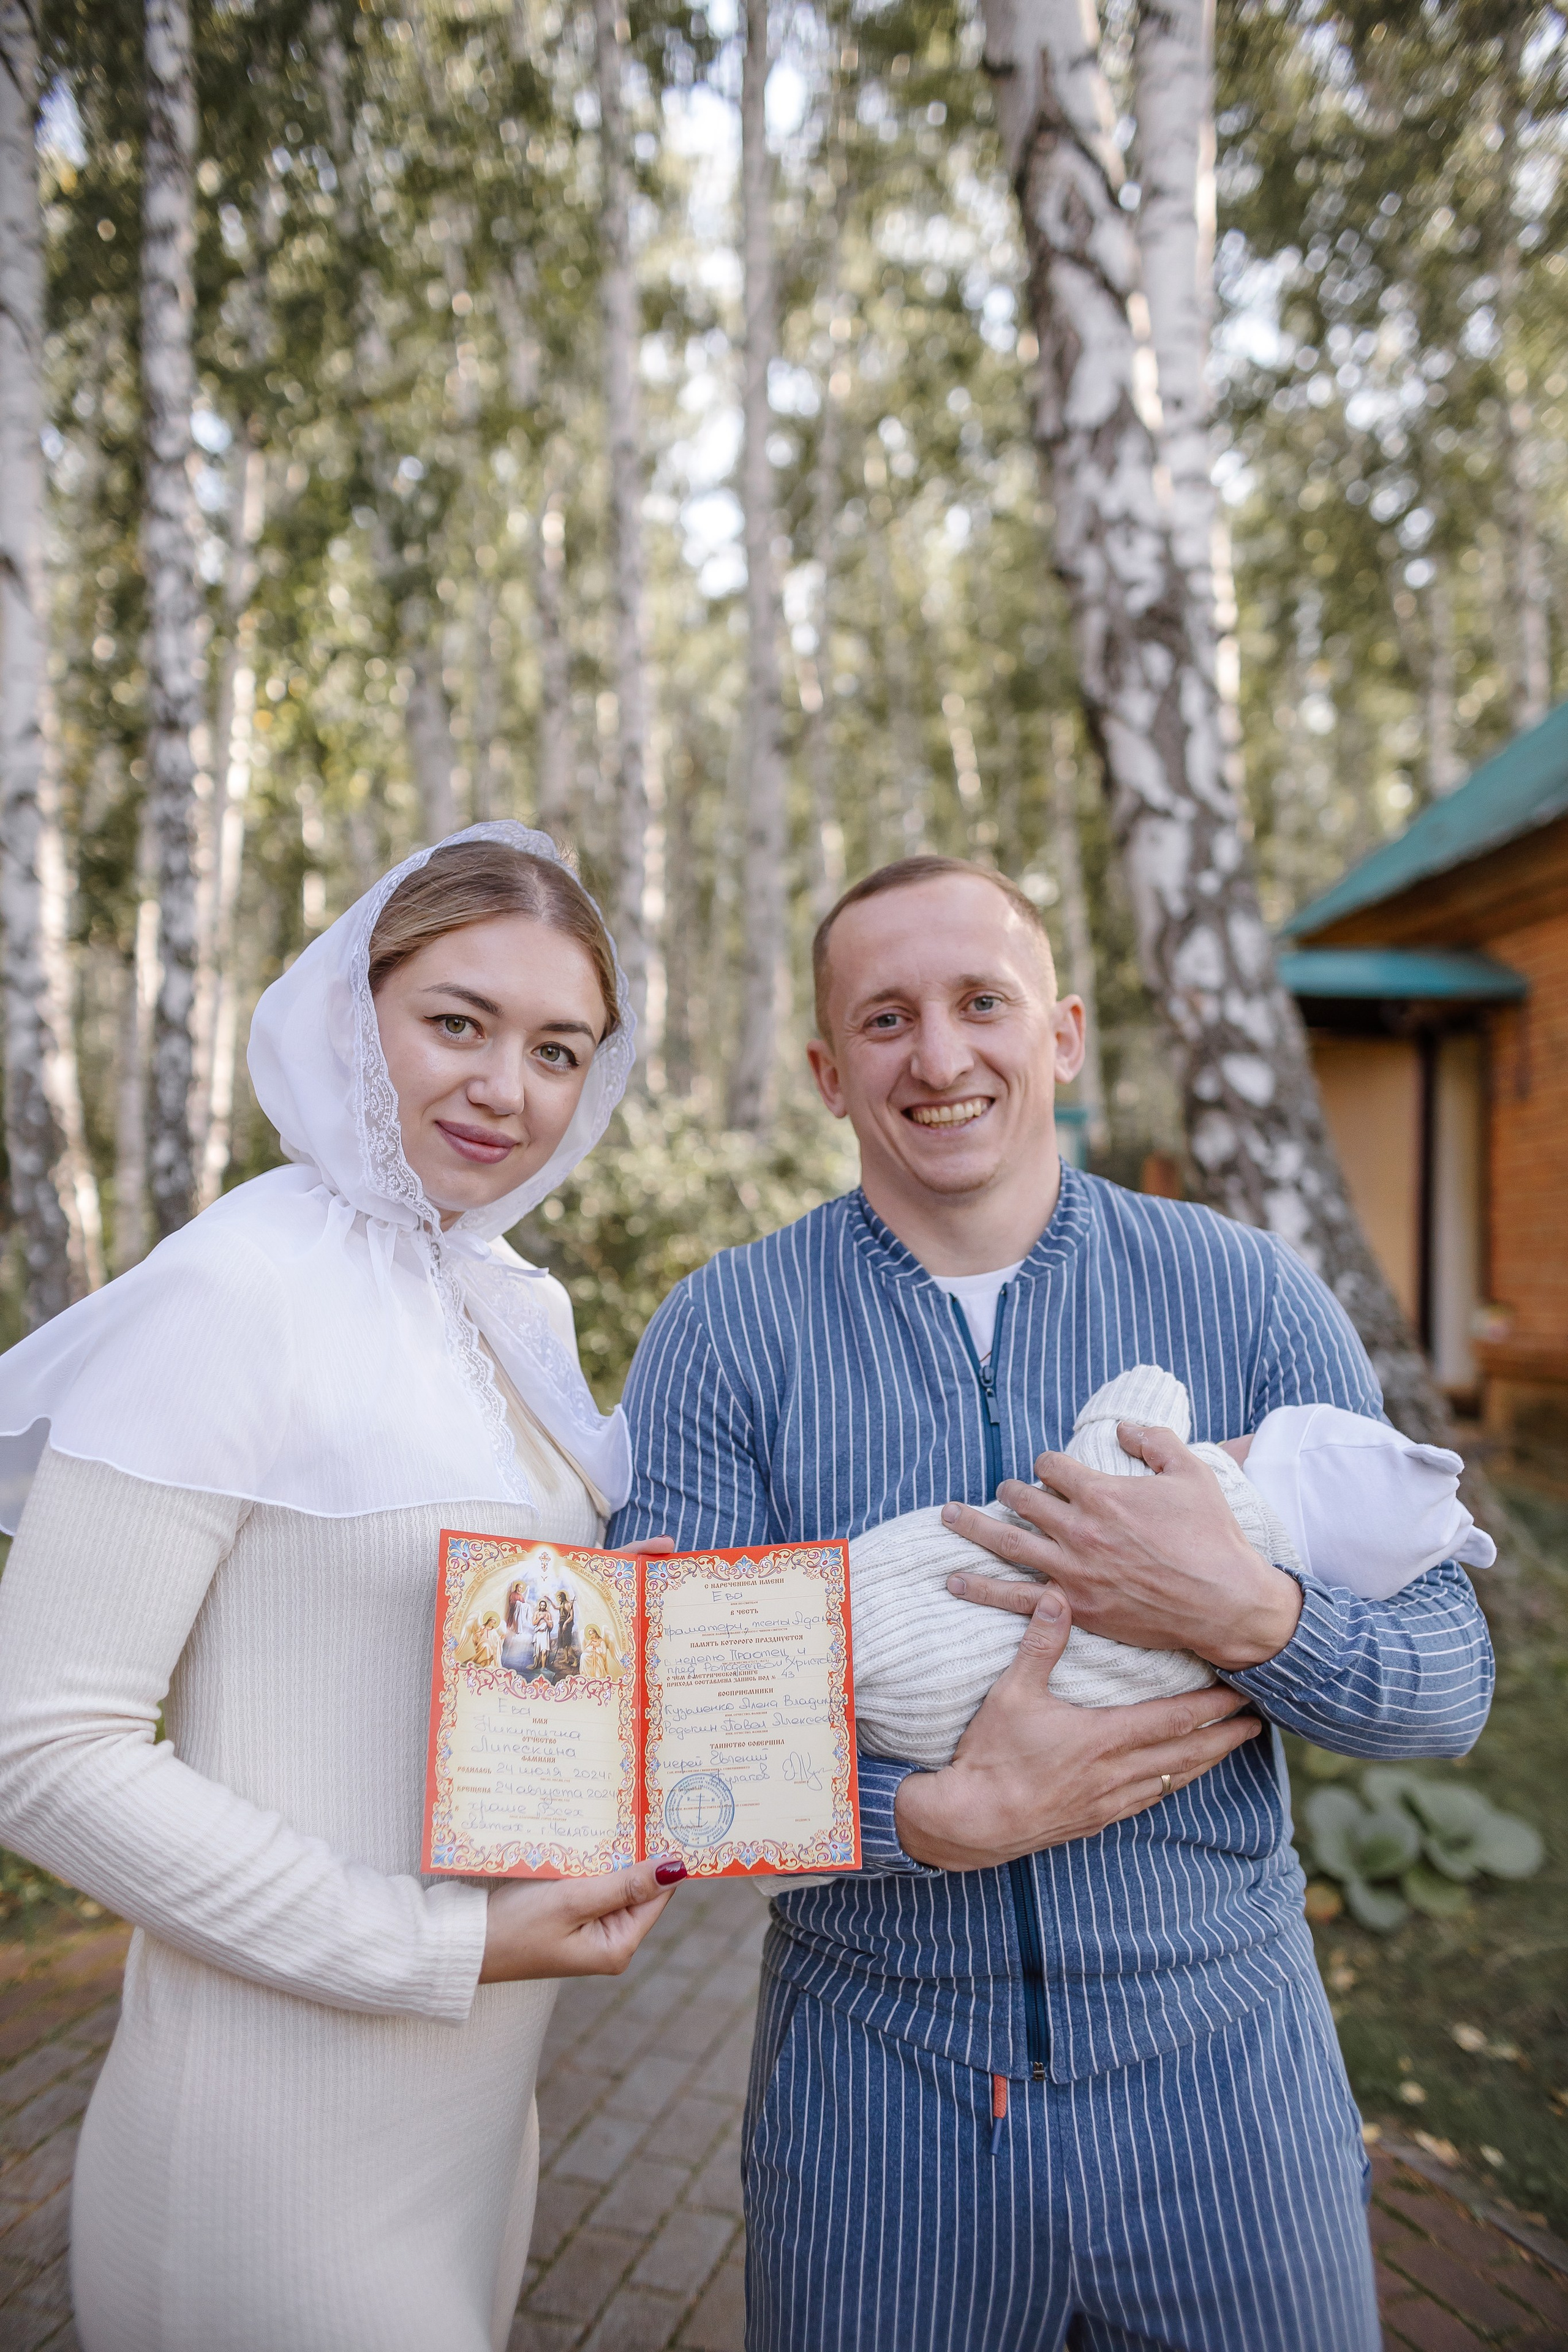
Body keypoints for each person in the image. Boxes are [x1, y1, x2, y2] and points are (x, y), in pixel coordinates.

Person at [609, 854, 1495, 2352]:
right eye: (883, 1019)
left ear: (1063, 1032)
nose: (938, 1054)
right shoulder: (722, 1332)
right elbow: (655, 1734)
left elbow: (1443, 1682)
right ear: (829, 1070)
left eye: (980, 1002)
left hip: (1223, 2079)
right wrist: (925, 1819)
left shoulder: (1246, 1294)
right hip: (879, 2087)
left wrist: (1248, 1609)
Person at [0, 824, 687, 2352]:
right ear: (348, 1012)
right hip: (272, 2149)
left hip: (477, 2123)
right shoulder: (236, 1287)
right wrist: (435, 1944)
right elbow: (40, 1750)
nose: (506, 1087)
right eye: (457, 1021)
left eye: (558, 1048)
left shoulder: (511, 1306)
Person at [848, 1359, 1497, 1766]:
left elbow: (1454, 1694)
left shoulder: (1261, 1289)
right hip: (931, 1737)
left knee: (837, 1624)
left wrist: (1250, 1615)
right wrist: (910, 1821)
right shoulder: (749, 1311)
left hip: (1205, 1968)